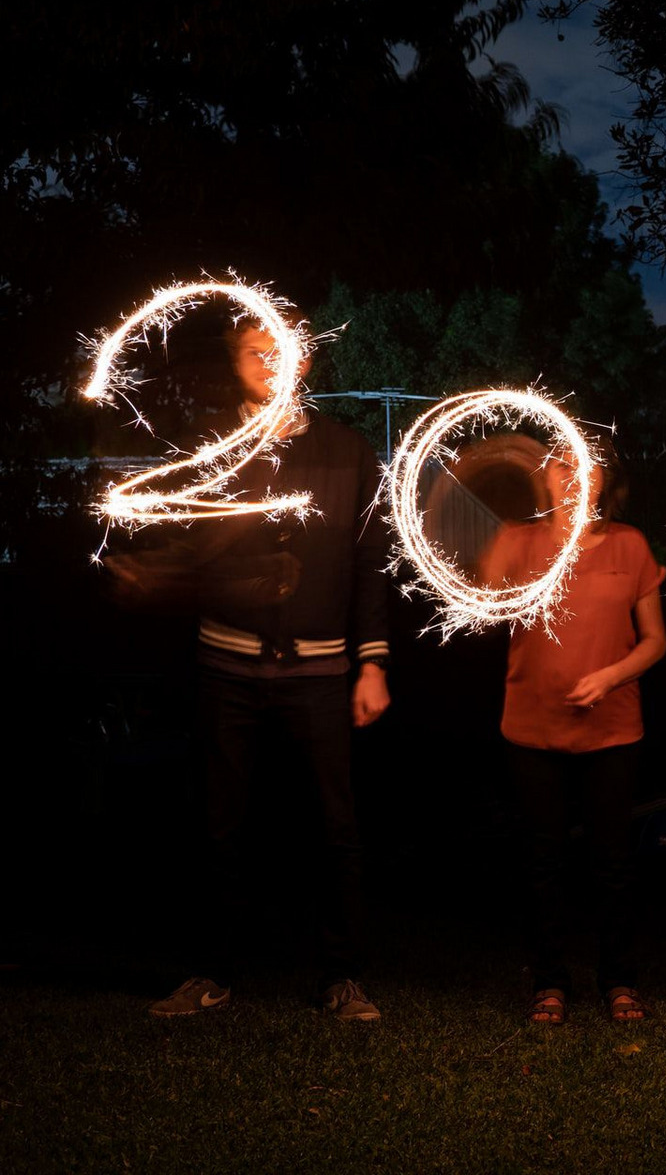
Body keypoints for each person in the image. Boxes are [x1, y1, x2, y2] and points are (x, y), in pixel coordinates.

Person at [145, 317, 391, 1021]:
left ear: (306, 361)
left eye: (281, 351)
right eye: (254, 351)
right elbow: (187, 545)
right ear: (236, 362)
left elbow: (372, 562)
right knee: (218, 821)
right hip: (226, 663)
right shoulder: (210, 446)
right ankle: (211, 971)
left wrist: (372, 663)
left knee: (334, 825)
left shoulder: (348, 450)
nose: (268, 362)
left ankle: (342, 976)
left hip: (318, 672)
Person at [481, 440, 666, 1024]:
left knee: (612, 862)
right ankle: (549, 983)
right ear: (547, 477)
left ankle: (620, 982)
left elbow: (656, 641)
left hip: (612, 730)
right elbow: (481, 605)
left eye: (587, 467)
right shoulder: (518, 540)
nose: (573, 476)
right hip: (532, 729)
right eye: (562, 464)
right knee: (544, 862)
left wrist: (609, 677)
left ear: (604, 481)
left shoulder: (629, 544)